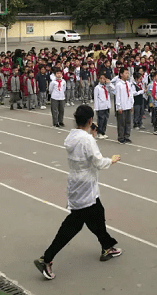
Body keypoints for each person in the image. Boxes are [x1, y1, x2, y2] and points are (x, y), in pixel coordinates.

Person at [34, 105, 122, 280]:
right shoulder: (86, 140)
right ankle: (47, 257)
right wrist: (111, 160)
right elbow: (97, 161)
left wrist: (92, 136)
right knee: (74, 224)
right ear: (90, 121)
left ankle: (107, 245)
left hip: (76, 181)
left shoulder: (72, 136)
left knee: (97, 213)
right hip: (86, 184)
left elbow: (84, 149)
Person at [114, 67, 134, 144]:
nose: (127, 75)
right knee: (121, 123)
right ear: (121, 74)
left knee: (128, 122)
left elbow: (131, 94)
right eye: (126, 73)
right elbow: (118, 97)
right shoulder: (118, 84)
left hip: (128, 105)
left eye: (128, 73)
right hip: (122, 106)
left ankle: (127, 136)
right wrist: (119, 106)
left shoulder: (128, 84)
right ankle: (121, 137)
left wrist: (131, 104)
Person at [93, 73, 111, 139]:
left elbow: (113, 90)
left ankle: (103, 132)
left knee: (105, 120)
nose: (103, 80)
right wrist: (96, 108)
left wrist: (109, 83)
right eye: (101, 78)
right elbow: (96, 98)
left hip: (107, 105)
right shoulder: (97, 88)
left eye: (104, 78)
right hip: (100, 106)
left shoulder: (107, 87)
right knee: (101, 120)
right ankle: (99, 132)